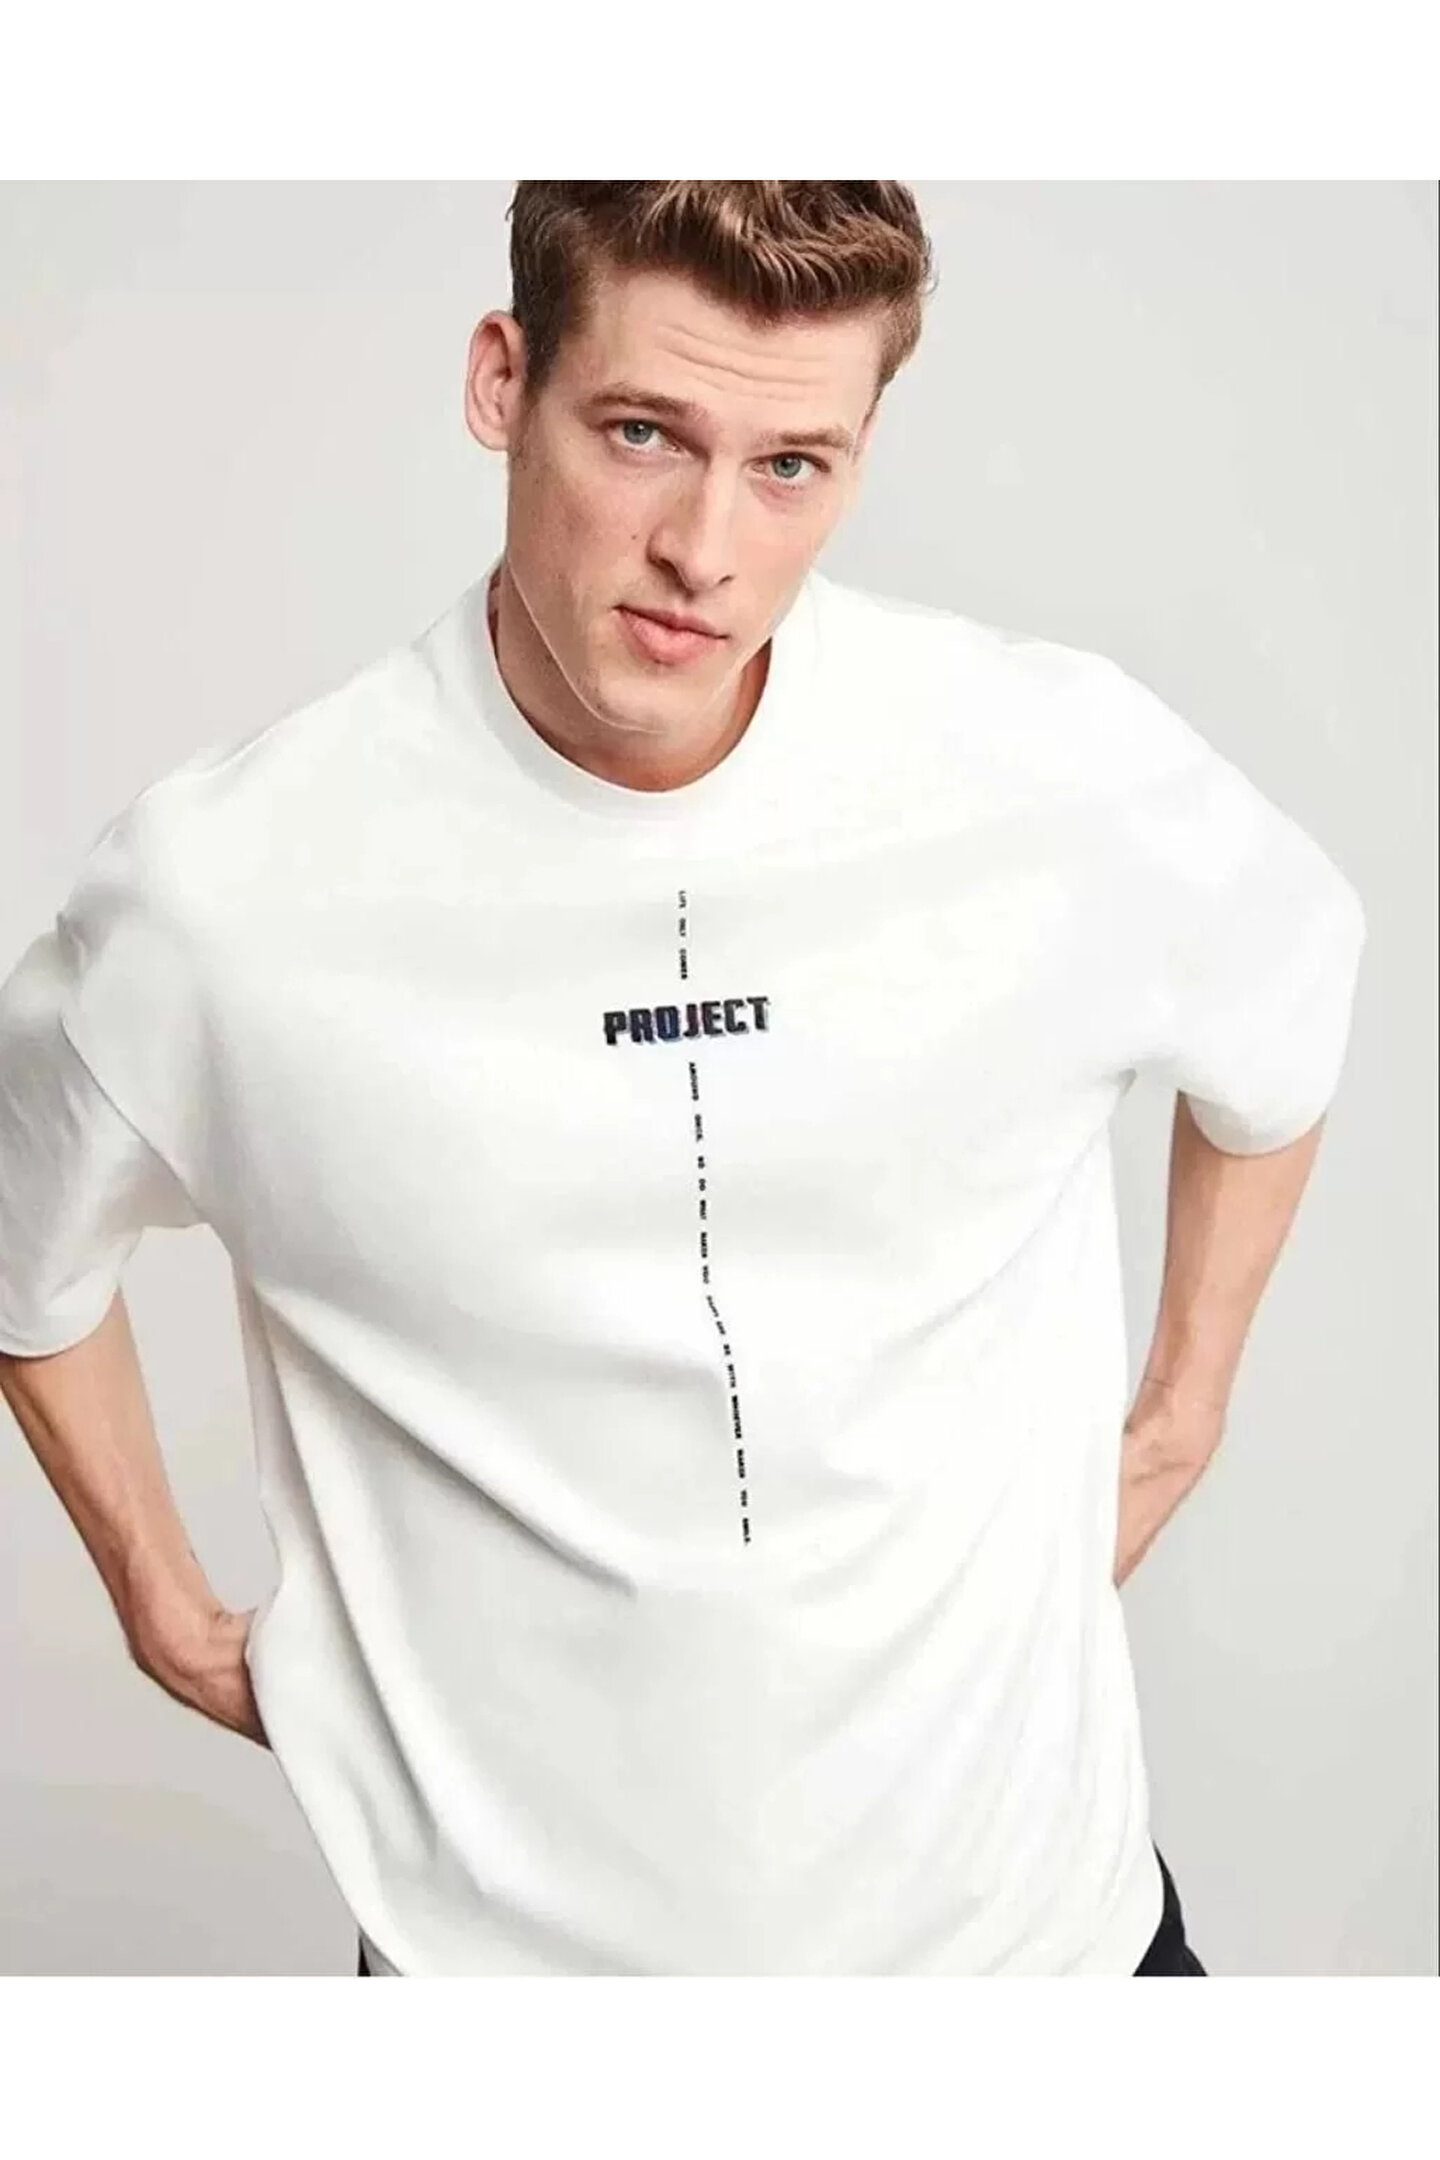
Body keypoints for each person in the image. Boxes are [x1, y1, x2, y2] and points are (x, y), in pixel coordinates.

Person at [0, 182, 1364, 1978]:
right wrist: (164, 1611)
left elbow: (1287, 1000)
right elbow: (25, 1242)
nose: (705, 549)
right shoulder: (227, 897)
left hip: (1045, 1956)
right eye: (643, 433)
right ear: (503, 384)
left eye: (791, 465)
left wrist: (1179, 1415)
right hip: (504, 1998)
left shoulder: (1057, 775)